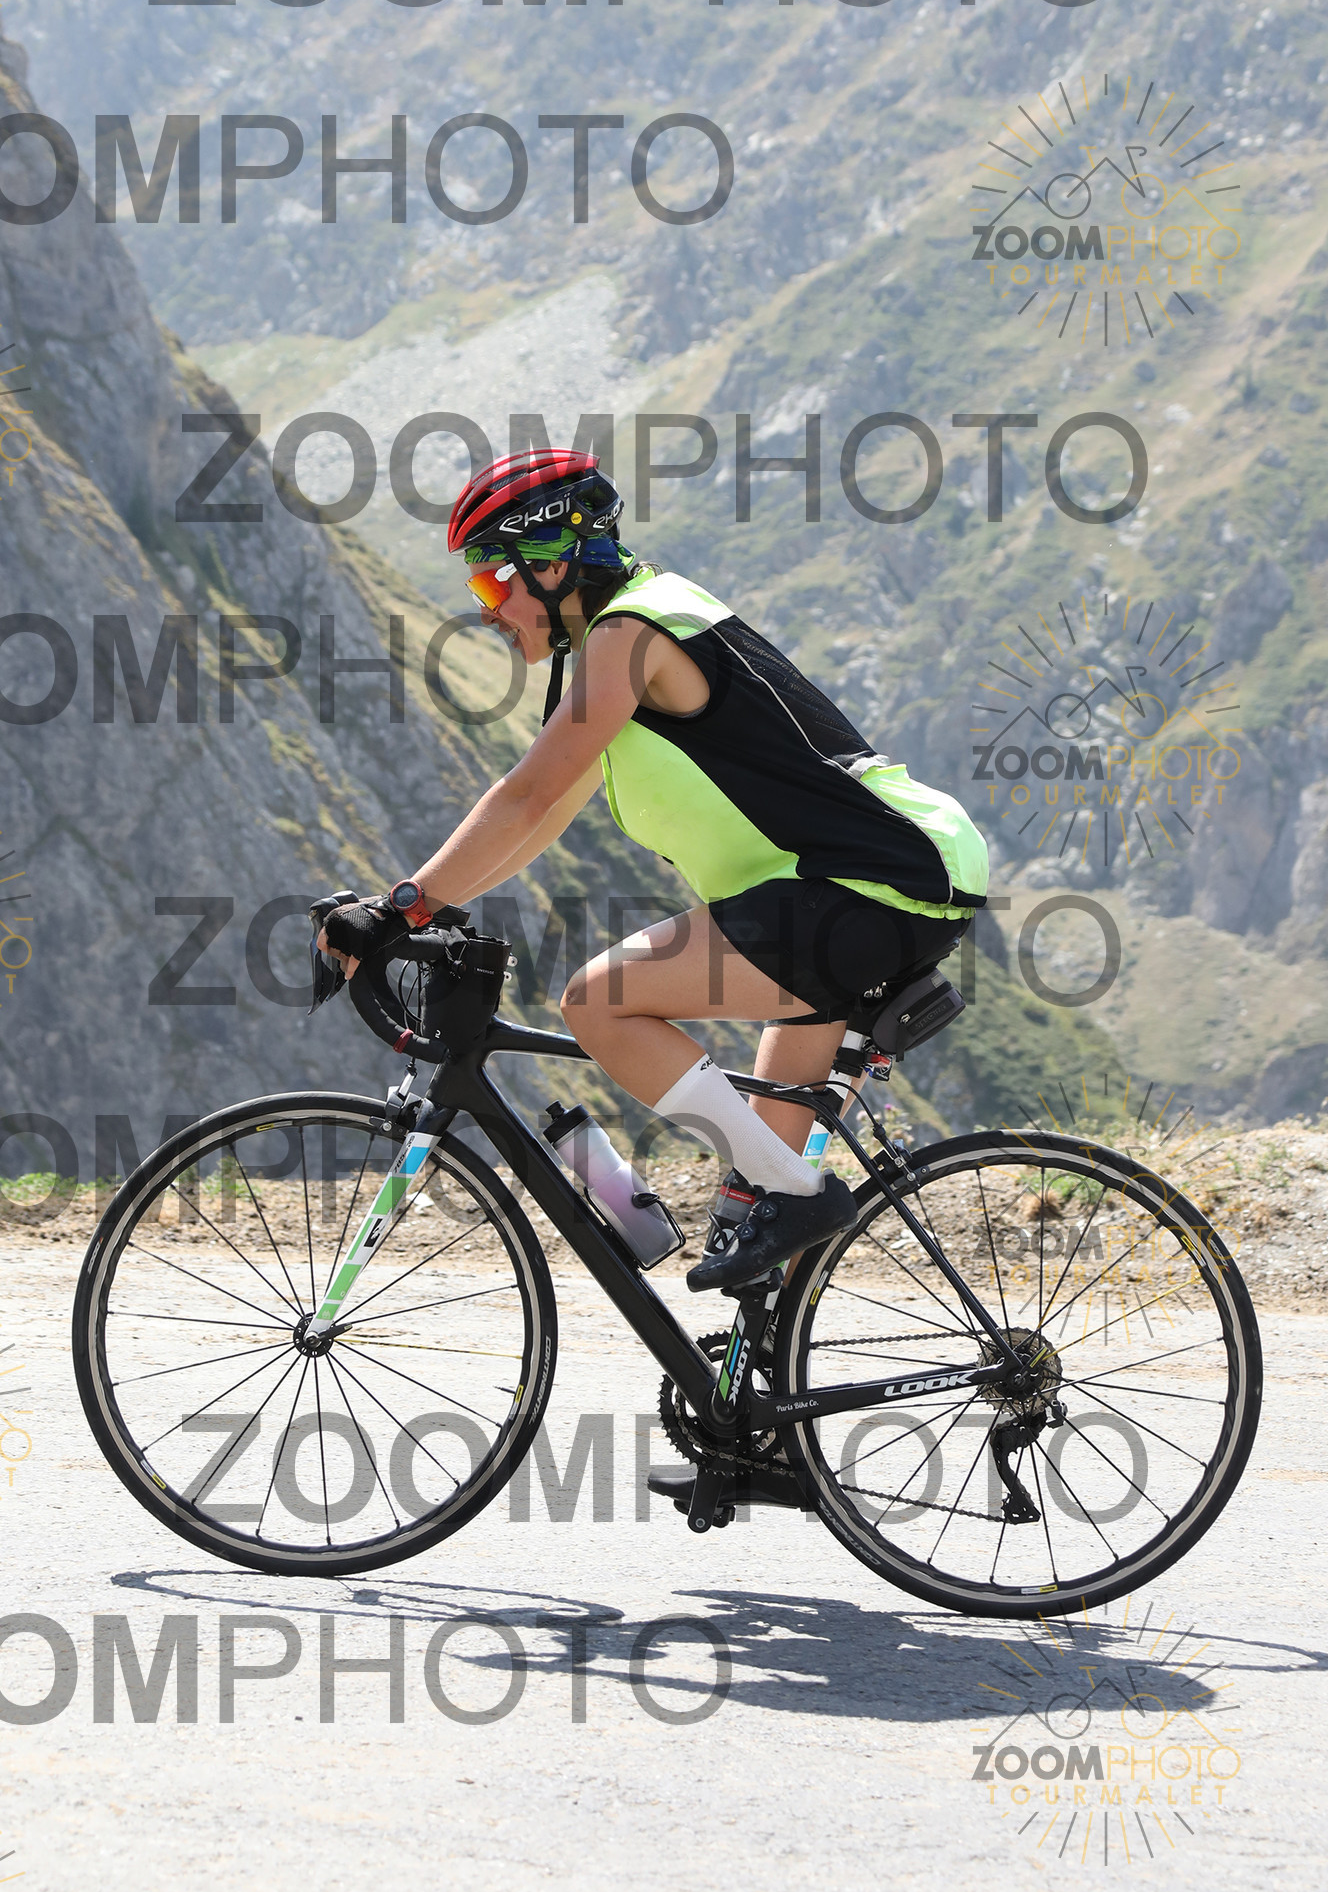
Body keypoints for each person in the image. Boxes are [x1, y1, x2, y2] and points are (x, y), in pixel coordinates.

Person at [317, 447, 987, 1301]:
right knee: (754, 1204)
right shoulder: (629, 632)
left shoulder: (631, 633)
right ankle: (766, 1369)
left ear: (552, 564)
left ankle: (796, 1197)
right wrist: (428, 907)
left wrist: (399, 907)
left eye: (491, 581)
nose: (485, 610)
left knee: (600, 1002)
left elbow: (525, 798)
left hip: (872, 881)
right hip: (877, 879)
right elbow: (547, 816)